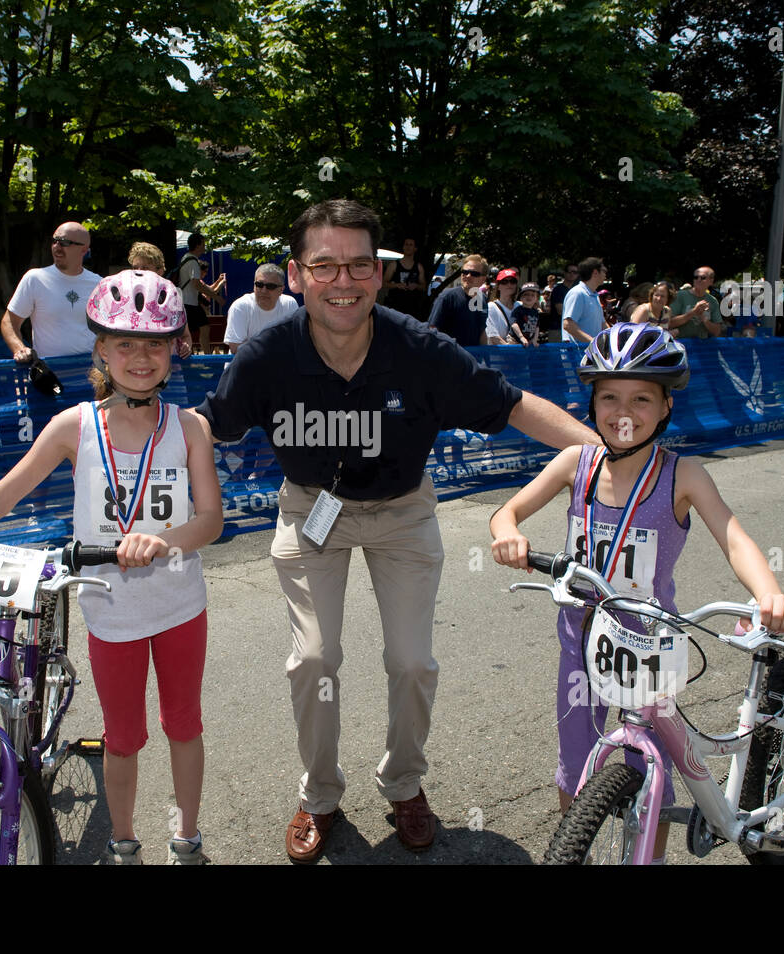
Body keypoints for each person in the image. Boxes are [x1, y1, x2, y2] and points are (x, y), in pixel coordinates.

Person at [195, 199, 597, 862]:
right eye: (325, 266)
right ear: (296, 275)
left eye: (358, 264)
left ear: (378, 276)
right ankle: (320, 794)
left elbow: (515, 406)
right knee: (315, 659)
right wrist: (127, 449)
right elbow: (211, 424)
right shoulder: (267, 354)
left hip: (403, 511)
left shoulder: (420, 349)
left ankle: (403, 783)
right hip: (311, 510)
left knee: (412, 662)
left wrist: (607, 460)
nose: (343, 281)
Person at [0, 269, 223, 865]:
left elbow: (211, 520)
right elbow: (0, 498)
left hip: (179, 604)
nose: (140, 357)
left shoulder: (189, 428)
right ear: (100, 348)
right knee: (123, 738)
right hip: (110, 611)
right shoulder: (73, 426)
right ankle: (124, 841)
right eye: (124, 343)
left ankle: (187, 836)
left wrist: (162, 541)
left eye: (154, 343)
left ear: (174, 349)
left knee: (183, 724)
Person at [489, 322, 784, 863]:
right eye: (609, 396)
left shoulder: (683, 475)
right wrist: (507, 533)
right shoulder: (577, 463)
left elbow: (734, 539)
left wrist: (770, 593)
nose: (623, 410)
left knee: (649, 771)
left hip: (649, 646)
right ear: (591, 401)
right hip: (581, 639)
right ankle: (579, 847)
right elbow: (508, 510)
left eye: (641, 399)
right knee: (575, 767)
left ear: (665, 408)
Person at [1, 222, 101, 363]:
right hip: (49, 375)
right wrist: (20, 349)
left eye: (65, 242)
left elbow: (110, 331)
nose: (57, 247)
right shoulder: (35, 279)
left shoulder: (99, 284)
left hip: (89, 374)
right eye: (54, 241)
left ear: (84, 250)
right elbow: (9, 322)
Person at [223, 263, 298, 353]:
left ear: (281, 290)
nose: (264, 290)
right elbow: (235, 347)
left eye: (270, 286)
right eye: (259, 285)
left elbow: (296, 341)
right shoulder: (240, 307)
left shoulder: (290, 305)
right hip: (246, 365)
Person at [175, 233, 226, 354]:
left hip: (188, 302)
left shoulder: (185, 258)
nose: (205, 246)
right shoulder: (193, 262)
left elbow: (199, 285)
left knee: (200, 328)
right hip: (189, 303)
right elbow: (196, 284)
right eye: (203, 244)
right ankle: (205, 357)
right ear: (198, 245)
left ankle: (193, 355)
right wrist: (216, 297)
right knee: (203, 328)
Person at [428, 253, 489, 346]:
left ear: (483, 279)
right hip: (449, 357)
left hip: (473, 358)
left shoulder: (482, 299)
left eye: (474, 273)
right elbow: (432, 330)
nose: (468, 276)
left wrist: (486, 357)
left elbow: (481, 331)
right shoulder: (447, 297)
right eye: (465, 272)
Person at [668, 266, 723, 339]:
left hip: (701, 347)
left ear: (711, 281)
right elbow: (669, 323)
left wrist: (704, 319)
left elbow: (717, 332)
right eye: (696, 277)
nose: (698, 280)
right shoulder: (680, 296)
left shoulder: (712, 301)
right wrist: (693, 312)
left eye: (703, 277)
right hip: (681, 345)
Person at [561, 257, 607, 344]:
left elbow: (602, 324)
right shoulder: (577, 293)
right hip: (577, 355)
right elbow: (568, 325)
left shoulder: (595, 296)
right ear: (595, 273)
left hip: (591, 354)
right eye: (604, 271)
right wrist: (593, 343)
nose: (606, 275)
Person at [382, 237, 427, 319]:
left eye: (411, 245)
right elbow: (383, 283)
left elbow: (424, 287)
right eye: (406, 244)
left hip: (412, 308)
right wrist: (397, 285)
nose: (408, 247)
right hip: (395, 307)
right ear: (403, 247)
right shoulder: (394, 265)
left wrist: (416, 286)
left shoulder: (419, 267)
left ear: (415, 249)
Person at [485, 268, 519, 345]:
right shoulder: (491, 307)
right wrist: (510, 351)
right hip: (499, 355)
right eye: (504, 282)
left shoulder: (520, 306)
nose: (509, 284)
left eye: (512, 281)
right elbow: (493, 336)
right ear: (498, 286)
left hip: (520, 355)